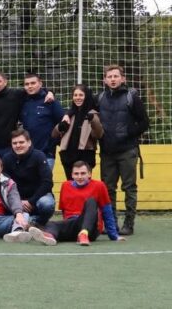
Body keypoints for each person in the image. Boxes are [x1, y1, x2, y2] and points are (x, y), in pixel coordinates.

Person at [96, 64, 149, 236]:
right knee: (108, 189)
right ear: (105, 80)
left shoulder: (131, 97)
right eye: (109, 76)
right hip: (107, 152)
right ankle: (111, 224)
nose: (113, 79)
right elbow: (80, 106)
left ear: (123, 78)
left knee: (129, 187)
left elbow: (144, 122)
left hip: (127, 150)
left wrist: (129, 132)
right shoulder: (99, 98)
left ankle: (129, 223)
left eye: (116, 76)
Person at [0, 71, 54, 162]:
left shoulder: (16, 95)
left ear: (5, 82)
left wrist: (49, 92)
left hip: (11, 148)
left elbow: (34, 89)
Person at [44, 161, 125, 246]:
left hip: (91, 228)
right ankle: (50, 237)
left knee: (91, 201)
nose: (79, 177)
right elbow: (65, 211)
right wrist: (65, 226)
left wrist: (114, 235)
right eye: (76, 174)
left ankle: (83, 234)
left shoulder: (99, 186)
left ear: (89, 174)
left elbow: (107, 212)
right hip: (73, 224)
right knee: (50, 224)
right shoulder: (65, 185)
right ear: (72, 175)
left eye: (83, 173)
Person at [1, 129, 55, 226]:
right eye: (14, 143)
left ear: (29, 143)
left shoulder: (39, 156)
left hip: (37, 197)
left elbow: (47, 182)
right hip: (16, 199)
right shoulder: (6, 159)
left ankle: (37, 222)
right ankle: (28, 222)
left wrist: (31, 201)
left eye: (21, 142)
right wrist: (18, 201)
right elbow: (5, 184)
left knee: (47, 204)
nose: (18, 145)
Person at [52, 84, 104, 180]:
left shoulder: (93, 114)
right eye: (75, 95)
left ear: (86, 96)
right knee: (71, 185)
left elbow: (98, 134)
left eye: (81, 95)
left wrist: (93, 120)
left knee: (85, 185)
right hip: (68, 156)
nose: (77, 98)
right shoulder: (69, 114)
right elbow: (54, 135)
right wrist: (60, 127)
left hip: (85, 156)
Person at [20, 73, 64, 170]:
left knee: (44, 180)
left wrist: (54, 141)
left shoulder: (50, 101)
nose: (30, 86)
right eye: (27, 84)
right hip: (26, 154)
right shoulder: (22, 102)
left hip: (46, 155)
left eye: (33, 83)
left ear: (40, 84)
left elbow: (63, 122)